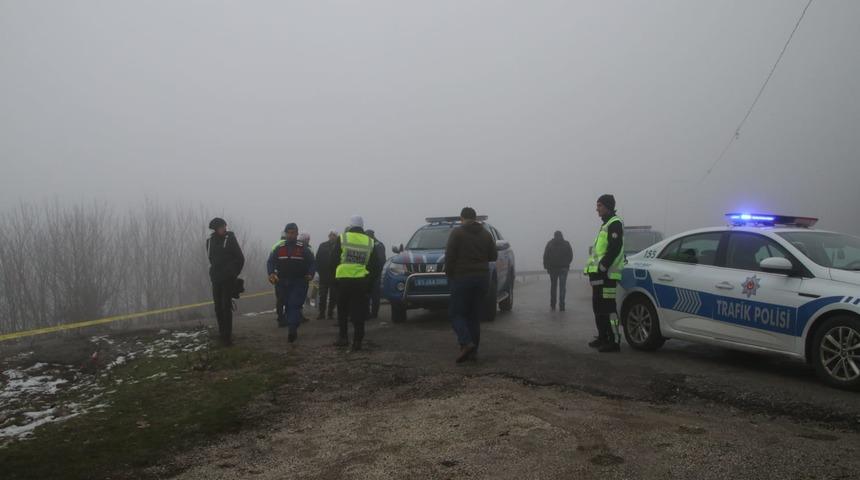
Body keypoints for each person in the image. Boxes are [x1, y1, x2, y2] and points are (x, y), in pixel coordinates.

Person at [445, 207, 497, 363]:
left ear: (462, 218)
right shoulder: (486, 234)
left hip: (462, 278)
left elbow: (449, 256)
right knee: (474, 316)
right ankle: (473, 352)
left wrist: (449, 275)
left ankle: (466, 342)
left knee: (456, 314)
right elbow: (493, 256)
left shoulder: (457, 233)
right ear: (475, 218)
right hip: (482, 279)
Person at [330, 215, 381, 351]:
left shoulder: (343, 238)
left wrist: (334, 280)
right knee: (359, 311)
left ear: (350, 225)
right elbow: (376, 265)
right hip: (361, 281)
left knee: (343, 310)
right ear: (362, 226)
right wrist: (369, 282)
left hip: (343, 280)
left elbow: (333, 260)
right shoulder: (369, 241)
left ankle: (343, 338)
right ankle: (358, 341)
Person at [584, 194, 625, 353]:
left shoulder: (615, 223)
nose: (597, 209)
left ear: (608, 206)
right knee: (598, 307)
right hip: (598, 275)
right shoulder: (606, 224)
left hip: (607, 275)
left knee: (608, 308)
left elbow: (614, 248)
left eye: (599, 205)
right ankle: (603, 337)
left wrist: (603, 266)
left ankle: (614, 340)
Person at [267, 223, 315, 343]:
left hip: (299, 282)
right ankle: (293, 323)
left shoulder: (303, 248)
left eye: (293, 233)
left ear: (297, 234)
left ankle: (292, 330)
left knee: (294, 304)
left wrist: (310, 273)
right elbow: (270, 261)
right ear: (285, 233)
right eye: (288, 233)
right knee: (288, 305)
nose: (290, 235)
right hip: (282, 282)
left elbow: (312, 262)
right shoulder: (280, 247)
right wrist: (271, 273)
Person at [207, 217, 245, 346]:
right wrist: (213, 273)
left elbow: (240, 258)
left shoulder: (230, 239)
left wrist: (232, 273)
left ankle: (227, 336)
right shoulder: (209, 242)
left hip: (228, 279)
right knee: (218, 307)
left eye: (224, 226)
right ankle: (221, 332)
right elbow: (211, 259)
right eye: (221, 227)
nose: (224, 228)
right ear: (215, 229)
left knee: (226, 306)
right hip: (216, 279)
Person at [543, 231, 573, 311]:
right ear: (562, 236)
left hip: (553, 269)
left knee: (553, 287)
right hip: (563, 268)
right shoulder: (566, 244)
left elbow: (545, 256)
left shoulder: (550, 244)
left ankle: (553, 304)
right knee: (562, 287)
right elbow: (570, 256)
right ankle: (562, 305)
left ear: (554, 236)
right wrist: (566, 264)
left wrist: (547, 267)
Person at [315, 230, 338, 321]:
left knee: (333, 296)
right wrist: (318, 271)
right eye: (331, 235)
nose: (332, 237)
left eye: (334, 235)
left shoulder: (339, 246)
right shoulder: (322, 245)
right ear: (328, 236)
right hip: (323, 275)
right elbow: (317, 258)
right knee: (322, 295)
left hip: (334, 276)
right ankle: (321, 313)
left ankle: (330, 313)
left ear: (336, 237)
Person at [365, 229, 386, 319]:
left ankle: (372, 313)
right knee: (373, 295)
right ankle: (372, 313)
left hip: (374, 273)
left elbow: (380, 260)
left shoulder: (376, 245)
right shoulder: (378, 244)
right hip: (374, 273)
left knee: (373, 294)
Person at [271, 231, 288, 327]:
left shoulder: (275, 245)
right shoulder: (286, 245)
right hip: (286, 275)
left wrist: (272, 273)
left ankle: (280, 317)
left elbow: (271, 260)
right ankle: (285, 316)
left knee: (279, 298)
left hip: (277, 275)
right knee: (288, 297)